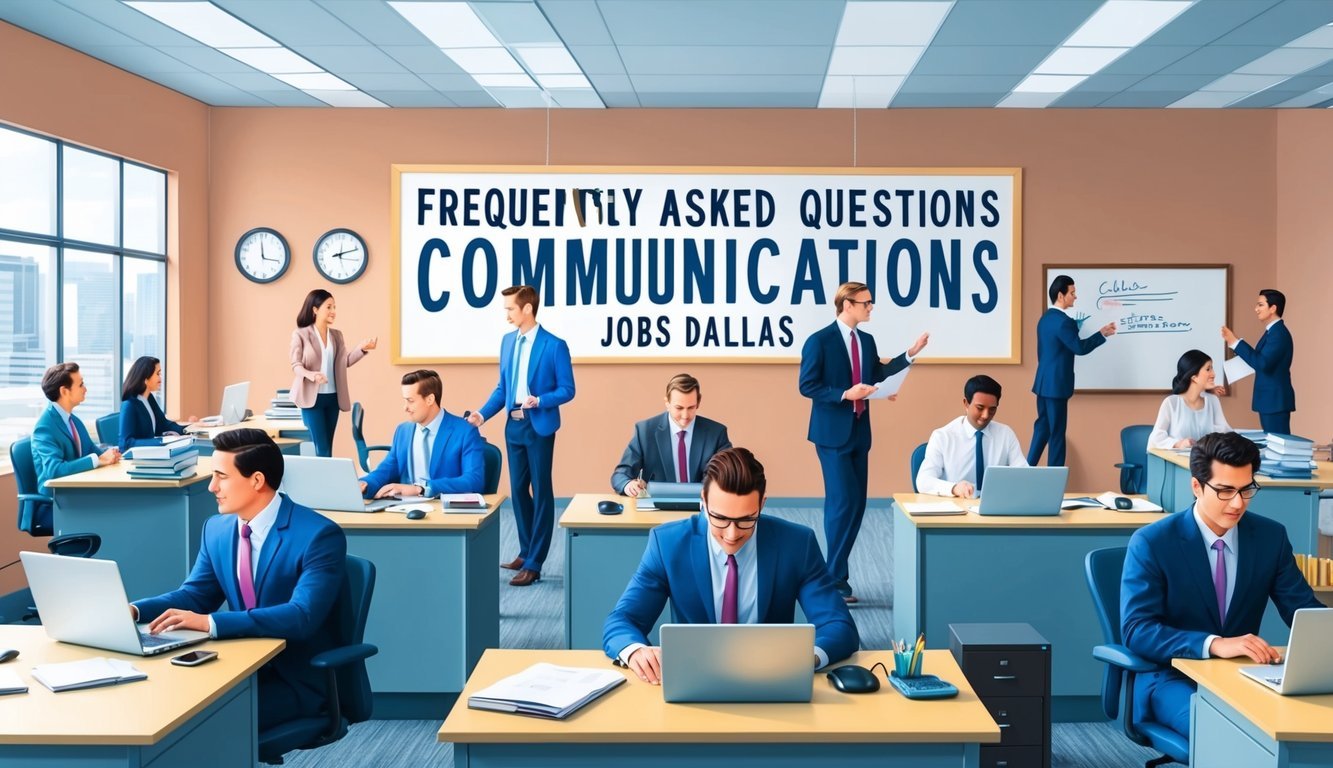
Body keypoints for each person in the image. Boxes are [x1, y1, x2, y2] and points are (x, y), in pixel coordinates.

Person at [131, 429, 347, 730]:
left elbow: (302, 616)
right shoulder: (217, 529)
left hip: (294, 679)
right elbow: (195, 596)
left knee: (199, 725)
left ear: (257, 480)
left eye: (221, 476)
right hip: (235, 666)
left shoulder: (318, 535)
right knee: (157, 705)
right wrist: (134, 610)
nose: (211, 487)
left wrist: (210, 623)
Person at [1121, 432, 1322, 742]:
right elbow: (1137, 630)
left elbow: (1303, 611)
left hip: (1243, 676)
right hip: (1173, 678)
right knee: (1228, 735)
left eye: (1246, 489)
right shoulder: (1153, 542)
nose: (1238, 502)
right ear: (1197, 486)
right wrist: (1214, 643)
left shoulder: (1270, 537)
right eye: (1225, 490)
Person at [602, 447, 858, 684]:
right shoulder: (668, 544)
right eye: (720, 518)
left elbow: (839, 627)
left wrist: (805, 659)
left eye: (746, 519)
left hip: (771, 684)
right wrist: (636, 651)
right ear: (703, 501)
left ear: (762, 504)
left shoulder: (797, 544)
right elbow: (621, 621)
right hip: (695, 681)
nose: (732, 534)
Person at [798, 281, 928, 604]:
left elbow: (877, 372)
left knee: (856, 504)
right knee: (840, 503)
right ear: (847, 304)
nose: (871, 308)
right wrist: (845, 394)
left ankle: (837, 576)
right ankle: (832, 579)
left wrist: (908, 356)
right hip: (831, 433)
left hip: (859, 431)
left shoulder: (866, 341)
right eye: (866, 303)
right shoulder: (820, 341)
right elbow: (807, 385)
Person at [466, 285, 575, 587]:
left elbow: (568, 389)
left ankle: (535, 563)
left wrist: (540, 400)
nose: (506, 315)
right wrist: (481, 414)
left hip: (538, 425)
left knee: (541, 491)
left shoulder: (554, 345)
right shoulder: (507, 342)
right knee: (517, 491)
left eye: (510, 309)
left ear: (527, 308)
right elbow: (502, 388)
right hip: (512, 425)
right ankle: (525, 551)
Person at [1028, 275, 1116, 467]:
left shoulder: (1045, 319)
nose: (1075, 297)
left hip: (1043, 383)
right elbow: (1079, 348)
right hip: (1057, 386)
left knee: (1042, 427)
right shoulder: (1064, 322)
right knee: (1057, 433)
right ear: (1061, 295)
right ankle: (1054, 479)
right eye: (1072, 293)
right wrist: (1101, 334)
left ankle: (1026, 469)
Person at [359, 369, 485, 498]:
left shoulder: (465, 431)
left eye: (411, 401)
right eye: (405, 400)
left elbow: (474, 481)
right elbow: (387, 469)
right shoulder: (403, 431)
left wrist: (422, 489)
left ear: (430, 399)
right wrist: (365, 483)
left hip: (441, 509)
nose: (405, 407)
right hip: (401, 510)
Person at [29, 362, 120, 533]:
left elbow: (92, 450)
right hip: (55, 502)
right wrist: (98, 460)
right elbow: (54, 470)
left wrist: (111, 455)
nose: (85, 389)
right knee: (113, 511)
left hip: (77, 493)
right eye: (81, 384)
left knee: (117, 504)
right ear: (64, 391)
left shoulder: (73, 420)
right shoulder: (45, 427)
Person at [611, 373, 732, 497]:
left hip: (704, 507)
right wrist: (628, 485)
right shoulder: (645, 431)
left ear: (698, 402)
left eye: (691, 407)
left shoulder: (717, 433)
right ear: (667, 403)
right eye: (679, 408)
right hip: (657, 510)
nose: (685, 416)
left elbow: (730, 473)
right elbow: (620, 475)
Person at [289, 289, 377, 457]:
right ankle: (323, 482)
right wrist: (312, 375)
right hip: (312, 399)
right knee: (321, 448)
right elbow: (296, 365)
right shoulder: (301, 334)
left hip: (333, 397)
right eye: (329, 307)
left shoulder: (336, 335)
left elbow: (345, 362)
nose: (333, 311)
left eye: (334, 307)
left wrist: (362, 348)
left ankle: (324, 481)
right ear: (315, 310)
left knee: (327, 447)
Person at [915, 375, 1027, 498]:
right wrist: (954, 488)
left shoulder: (1006, 434)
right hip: (956, 510)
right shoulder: (943, 437)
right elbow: (923, 481)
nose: (985, 415)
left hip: (996, 510)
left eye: (992, 409)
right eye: (980, 408)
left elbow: (1024, 475)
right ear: (966, 404)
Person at [1221, 289, 1295, 435]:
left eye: (1260, 305)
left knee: (1278, 445)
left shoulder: (1278, 334)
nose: (1256, 309)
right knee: (1274, 444)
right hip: (1270, 401)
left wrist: (1235, 342)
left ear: (1273, 308)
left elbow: (1262, 363)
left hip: (1274, 401)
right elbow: (1260, 360)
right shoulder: (1272, 332)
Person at [1148, 350, 1232, 450]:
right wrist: (1178, 443)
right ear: (1194, 377)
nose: (1213, 374)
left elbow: (1226, 432)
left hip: (1206, 462)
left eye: (1212, 368)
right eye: (1208, 369)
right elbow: (1155, 438)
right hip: (1178, 462)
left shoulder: (1213, 401)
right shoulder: (1171, 403)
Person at [117, 356, 197, 452]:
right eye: (158, 374)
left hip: (153, 454)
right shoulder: (129, 405)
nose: (160, 378)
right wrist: (162, 441)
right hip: (138, 459)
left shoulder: (149, 398)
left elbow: (164, 424)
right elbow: (126, 444)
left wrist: (191, 429)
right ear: (145, 378)